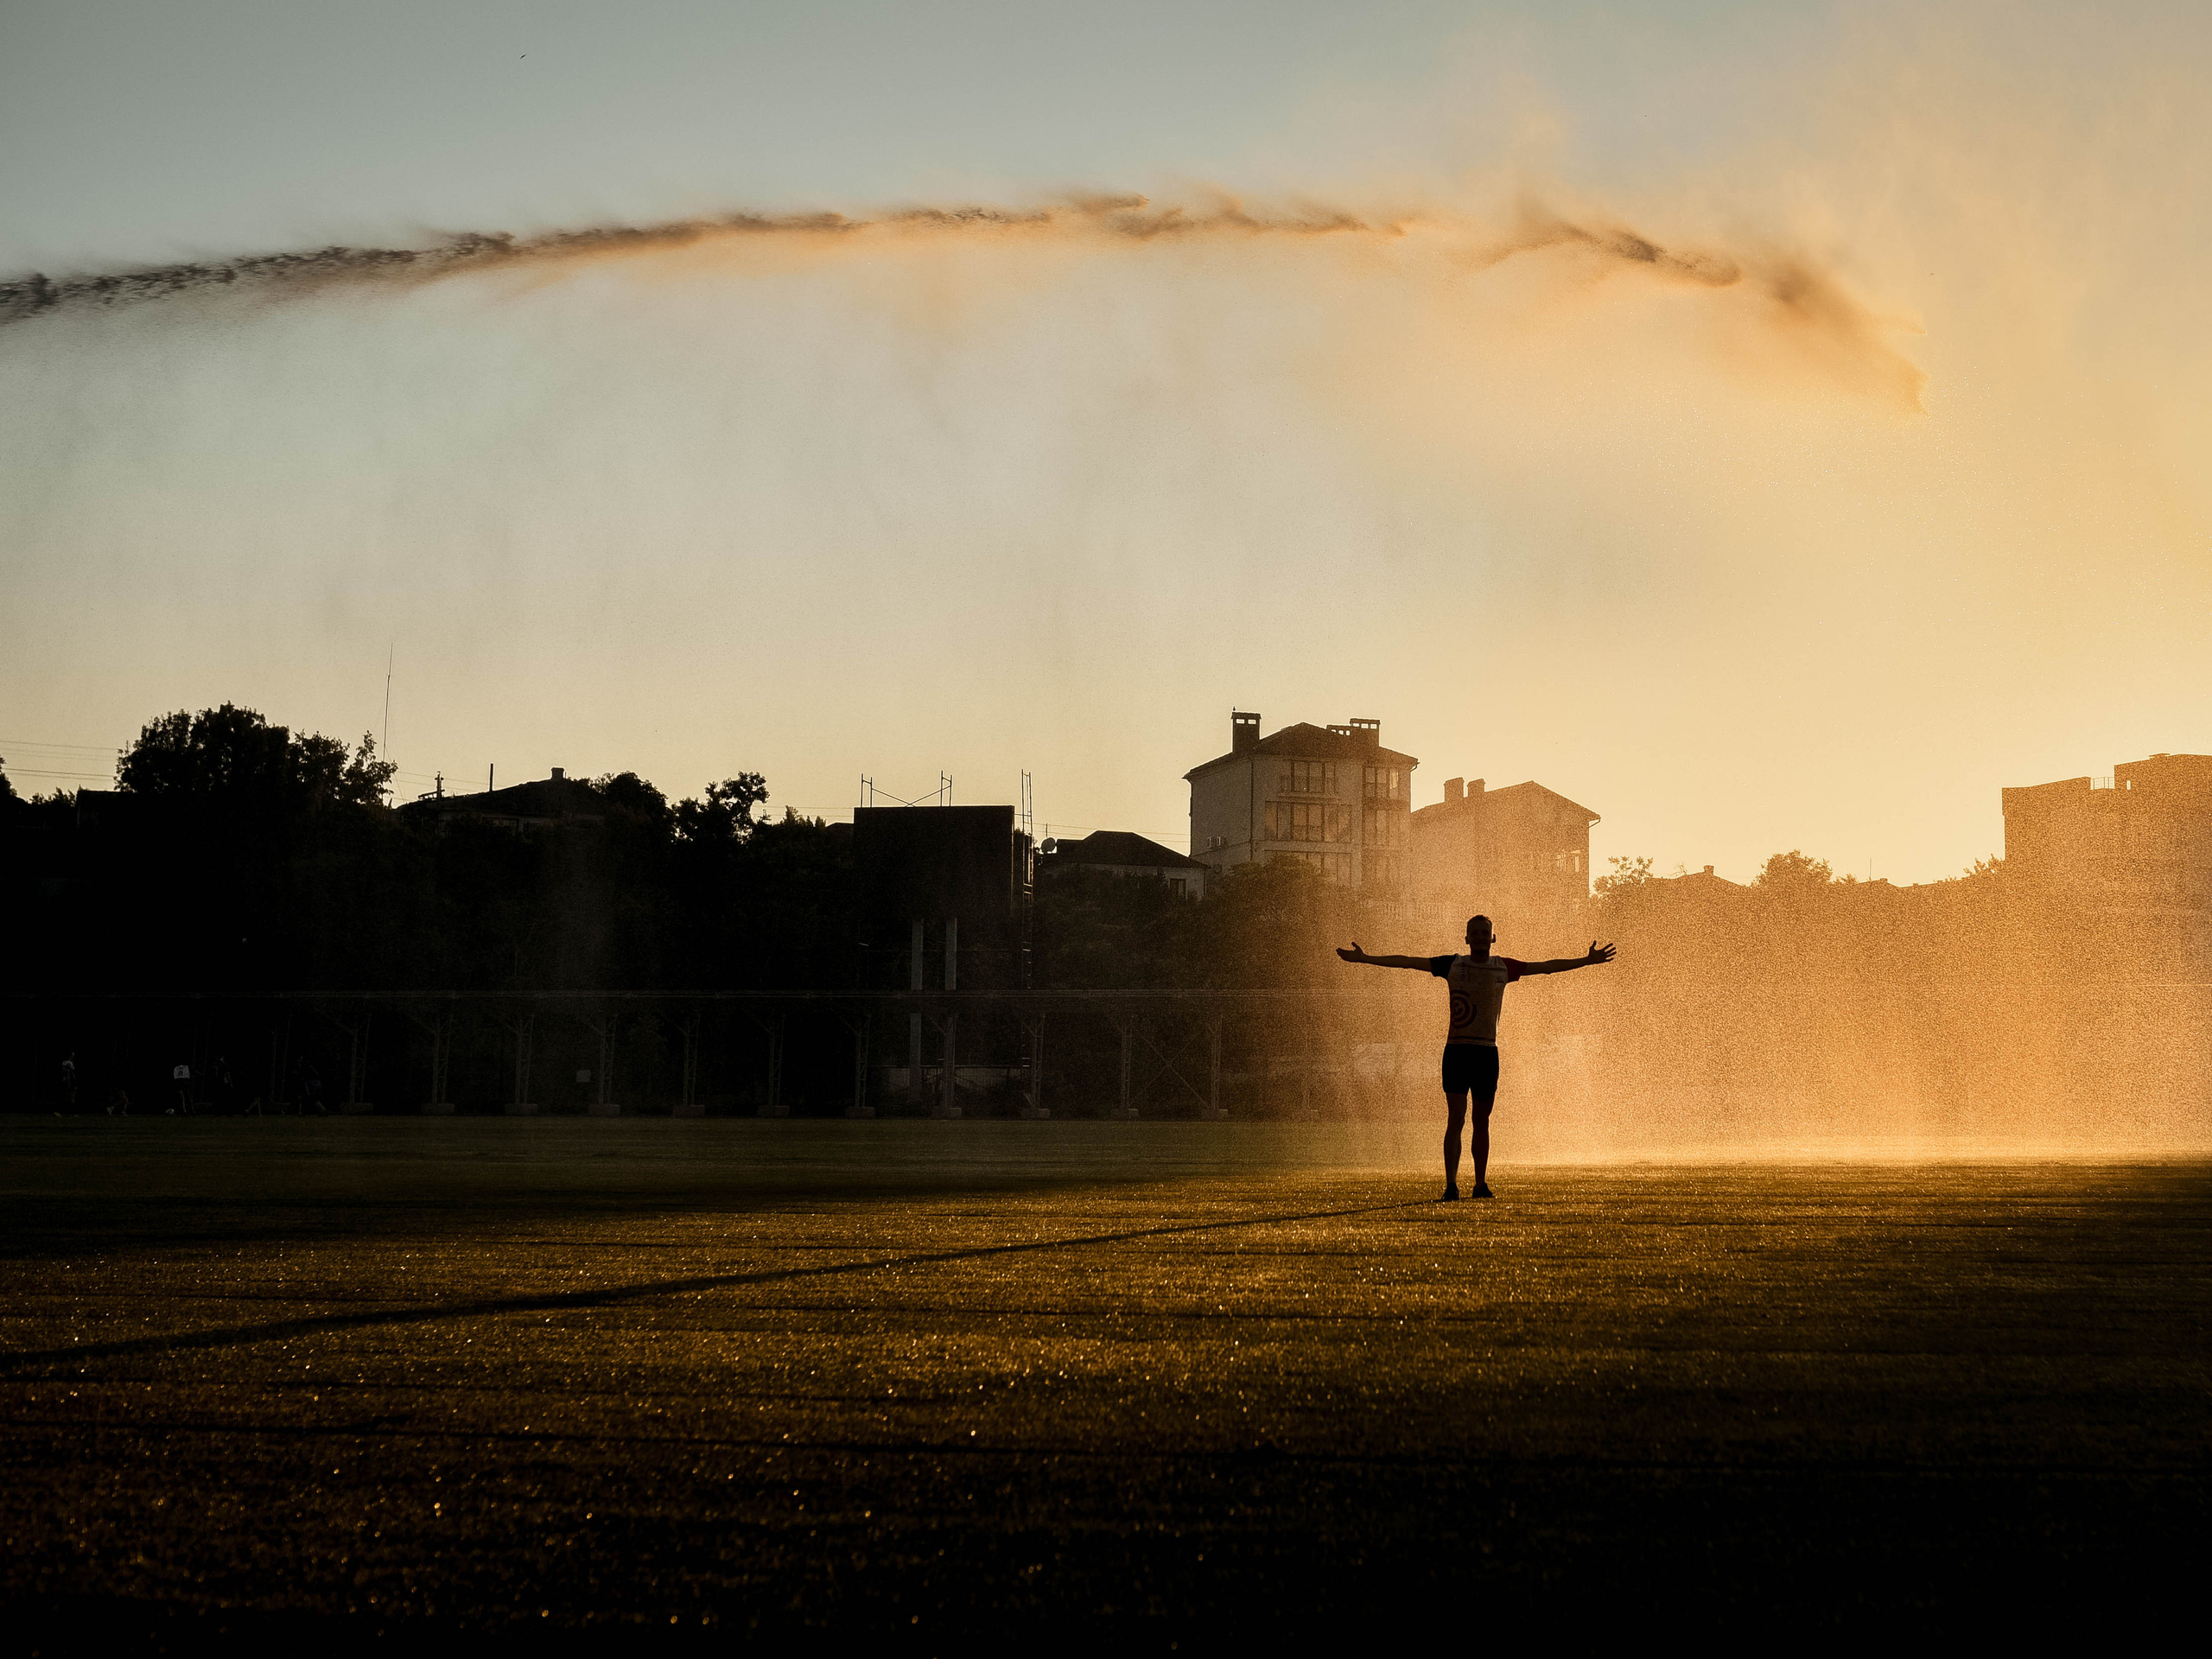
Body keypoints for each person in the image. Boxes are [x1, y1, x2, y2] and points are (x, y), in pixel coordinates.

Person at [1338, 916, 1615, 1201]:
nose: (1481, 937)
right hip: (1457, 1051)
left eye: (1486, 933)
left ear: (1493, 938)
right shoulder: (1453, 964)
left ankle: (1480, 1184)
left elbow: (1546, 968)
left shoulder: (1503, 967)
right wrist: (1365, 959)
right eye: (1475, 933)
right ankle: (1451, 1186)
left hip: (1486, 1053)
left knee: (1481, 1120)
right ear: (1467, 938)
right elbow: (1409, 961)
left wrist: (1586, 960)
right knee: (1455, 1118)